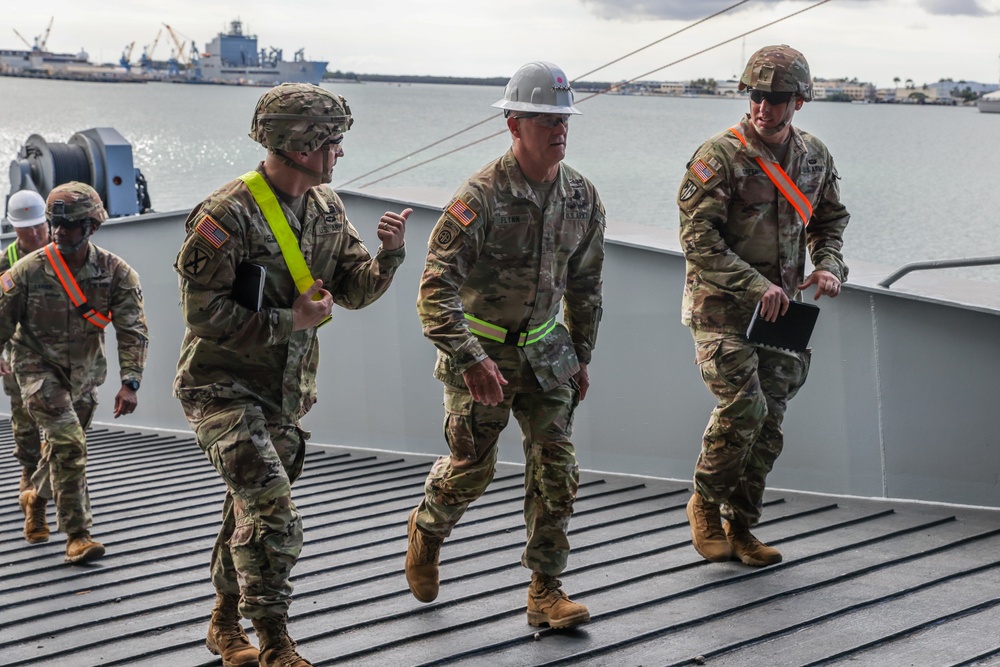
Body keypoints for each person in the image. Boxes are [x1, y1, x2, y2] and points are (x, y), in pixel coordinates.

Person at [173, 82, 409, 667]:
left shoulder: (327, 209)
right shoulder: (225, 215)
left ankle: (224, 624)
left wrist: (390, 256)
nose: (339, 152)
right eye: (332, 140)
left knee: (248, 509)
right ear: (298, 144)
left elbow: (352, 291)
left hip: (283, 398)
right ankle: (276, 642)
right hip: (220, 391)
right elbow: (202, 317)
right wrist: (291, 319)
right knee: (274, 511)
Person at [404, 61, 606, 631]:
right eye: (544, 119)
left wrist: (582, 356)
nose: (558, 129)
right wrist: (470, 359)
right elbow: (434, 291)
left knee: (557, 468)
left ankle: (546, 590)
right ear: (513, 125)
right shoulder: (480, 198)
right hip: (482, 356)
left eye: (563, 118)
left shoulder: (581, 198)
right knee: (473, 466)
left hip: (548, 354)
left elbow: (587, 284)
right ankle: (427, 528)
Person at [677, 45, 849, 567]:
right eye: (755, 96)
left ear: (798, 101)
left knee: (770, 423)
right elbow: (697, 238)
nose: (762, 108)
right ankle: (704, 505)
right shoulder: (719, 157)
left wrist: (828, 267)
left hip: (780, 315)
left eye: (775, 99)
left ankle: (742, 525)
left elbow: (830, 220)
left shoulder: (814, 156)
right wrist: (754, 285)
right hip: (721, 310)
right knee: (744, 406)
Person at [0, 181, 148, 563]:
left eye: (70, 225)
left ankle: (35, 495)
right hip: (35, 369)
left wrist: (130, 382)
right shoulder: (27, 271)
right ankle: (78, 535)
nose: (60, 232)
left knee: (64, 449)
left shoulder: (117, 273)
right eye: (55, 224)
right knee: (69, 444)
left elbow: (133, 330)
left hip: (83, 374)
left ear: (92, 227)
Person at [2, 190, 50, 499]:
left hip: (61, 353)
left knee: (64, 421)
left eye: (38, 226)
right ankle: (29, 471)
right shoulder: (5, 262)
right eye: (25, 227)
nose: (33, 233)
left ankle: (57, 477)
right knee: (24, 419)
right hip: (19, 354)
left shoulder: (66, 252)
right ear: (13, 227)